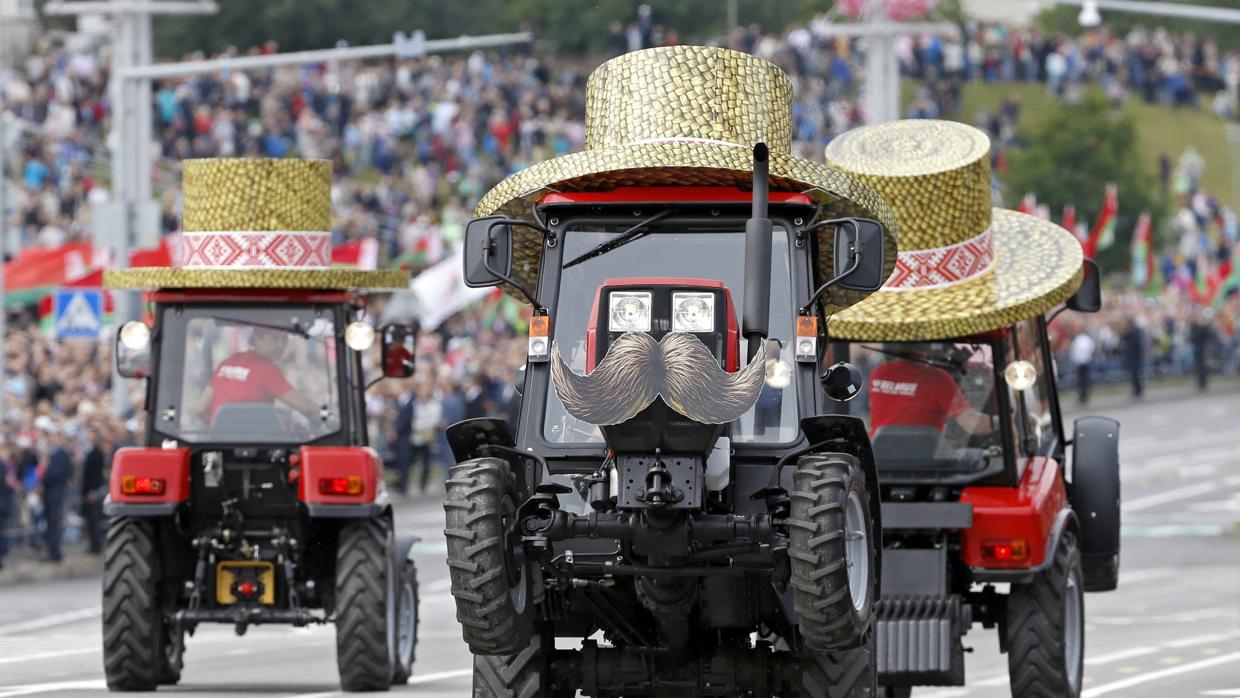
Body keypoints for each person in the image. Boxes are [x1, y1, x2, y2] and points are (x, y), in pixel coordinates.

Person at [192, 326, 321, 425]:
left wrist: (222, 432)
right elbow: (307, 408)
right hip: (255, 446)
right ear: (257, 337)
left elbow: (200, 409)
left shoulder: (227, 363)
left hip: (220, 445)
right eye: (275, 339)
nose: (281, 345)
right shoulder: (266, 369)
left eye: (284, 339)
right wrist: (331, 421)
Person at [867, 344, 993, 438]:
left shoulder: (878, 373)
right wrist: (1003, 421)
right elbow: (974, 425)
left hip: (879, 461)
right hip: (925, 463)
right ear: (928, 347)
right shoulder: (937, 378)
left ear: (894, 346)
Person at [37, 420, 73, 563]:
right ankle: (52, 551)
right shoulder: (51, 453)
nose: (51, 439)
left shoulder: (61, 454)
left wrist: (45, 478)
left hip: (56, 493)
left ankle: (55, 552)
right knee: (51, 523)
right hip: (50, 492)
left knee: (55, 523)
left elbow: (58, 473)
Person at [80, 427, 111, 555]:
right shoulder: (92, 451)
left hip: (93, 491)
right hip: (88, 490)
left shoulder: (97, 453)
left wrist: (93, 491)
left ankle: (96, 545)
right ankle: (93, 544)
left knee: (94, 519)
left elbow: (96, 475)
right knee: (90, 520)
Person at [1120, 317, 1146, 398]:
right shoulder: (1130, 331)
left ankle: (1138, 391)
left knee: (1136, 375)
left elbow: (1135, 344)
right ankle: (1136, 390)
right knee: (1133, 375)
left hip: (1135, 357)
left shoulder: (1135, 331)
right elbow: (1124, 338)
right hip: (1132, 357)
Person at [1068, 329, 1096, 405]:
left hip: (1084, 363)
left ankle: (1084, 397)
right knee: (1081, 381)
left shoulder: (1082, 339)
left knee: (1084, 381)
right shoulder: (1079, 339)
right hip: (1081, 363)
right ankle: (1082, 397)